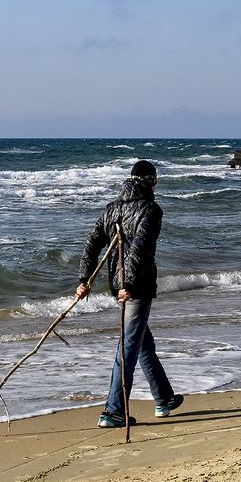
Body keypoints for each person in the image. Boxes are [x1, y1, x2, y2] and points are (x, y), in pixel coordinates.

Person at [76, 160, 184, 428]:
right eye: (155, 182)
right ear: (150, 182)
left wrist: (84, 279)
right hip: (135, 287)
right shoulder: (150, 209)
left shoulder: (112, 209)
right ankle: (113, 412)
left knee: (142, 342)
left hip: (119, 286)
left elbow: (92, 243)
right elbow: (140, 249)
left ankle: (164, 399)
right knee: (127, 348)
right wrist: (131, 286)